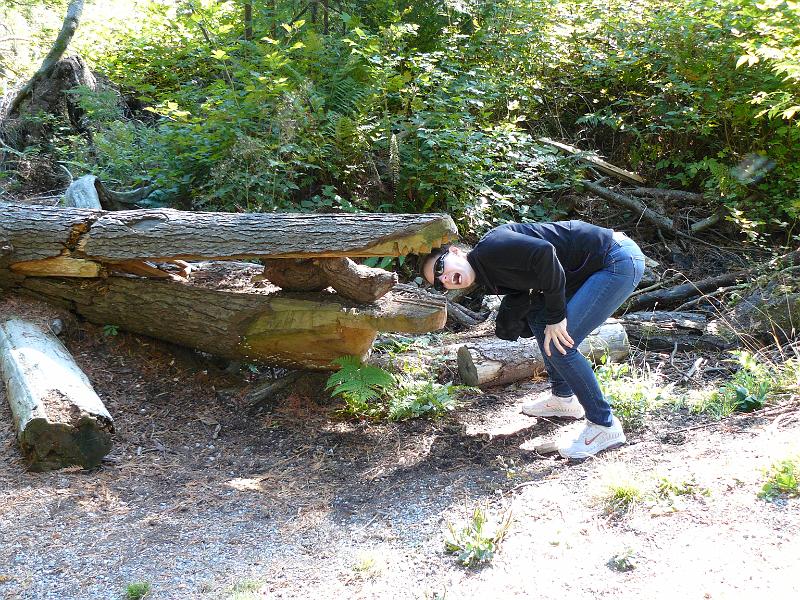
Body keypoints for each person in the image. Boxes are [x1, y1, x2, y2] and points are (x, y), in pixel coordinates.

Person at [421, 220, 645, 459]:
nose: (443, 279)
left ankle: (604, 425)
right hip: (590, 268)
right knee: (539, 318)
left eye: (440, 268)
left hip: (616, 259)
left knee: (561, 346)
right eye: (438, 283)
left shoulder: (491, 248)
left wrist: (557, 316)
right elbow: (530, 284)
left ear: (455, 251)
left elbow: (545, 253)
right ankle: (563, 398)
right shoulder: (486, 274)